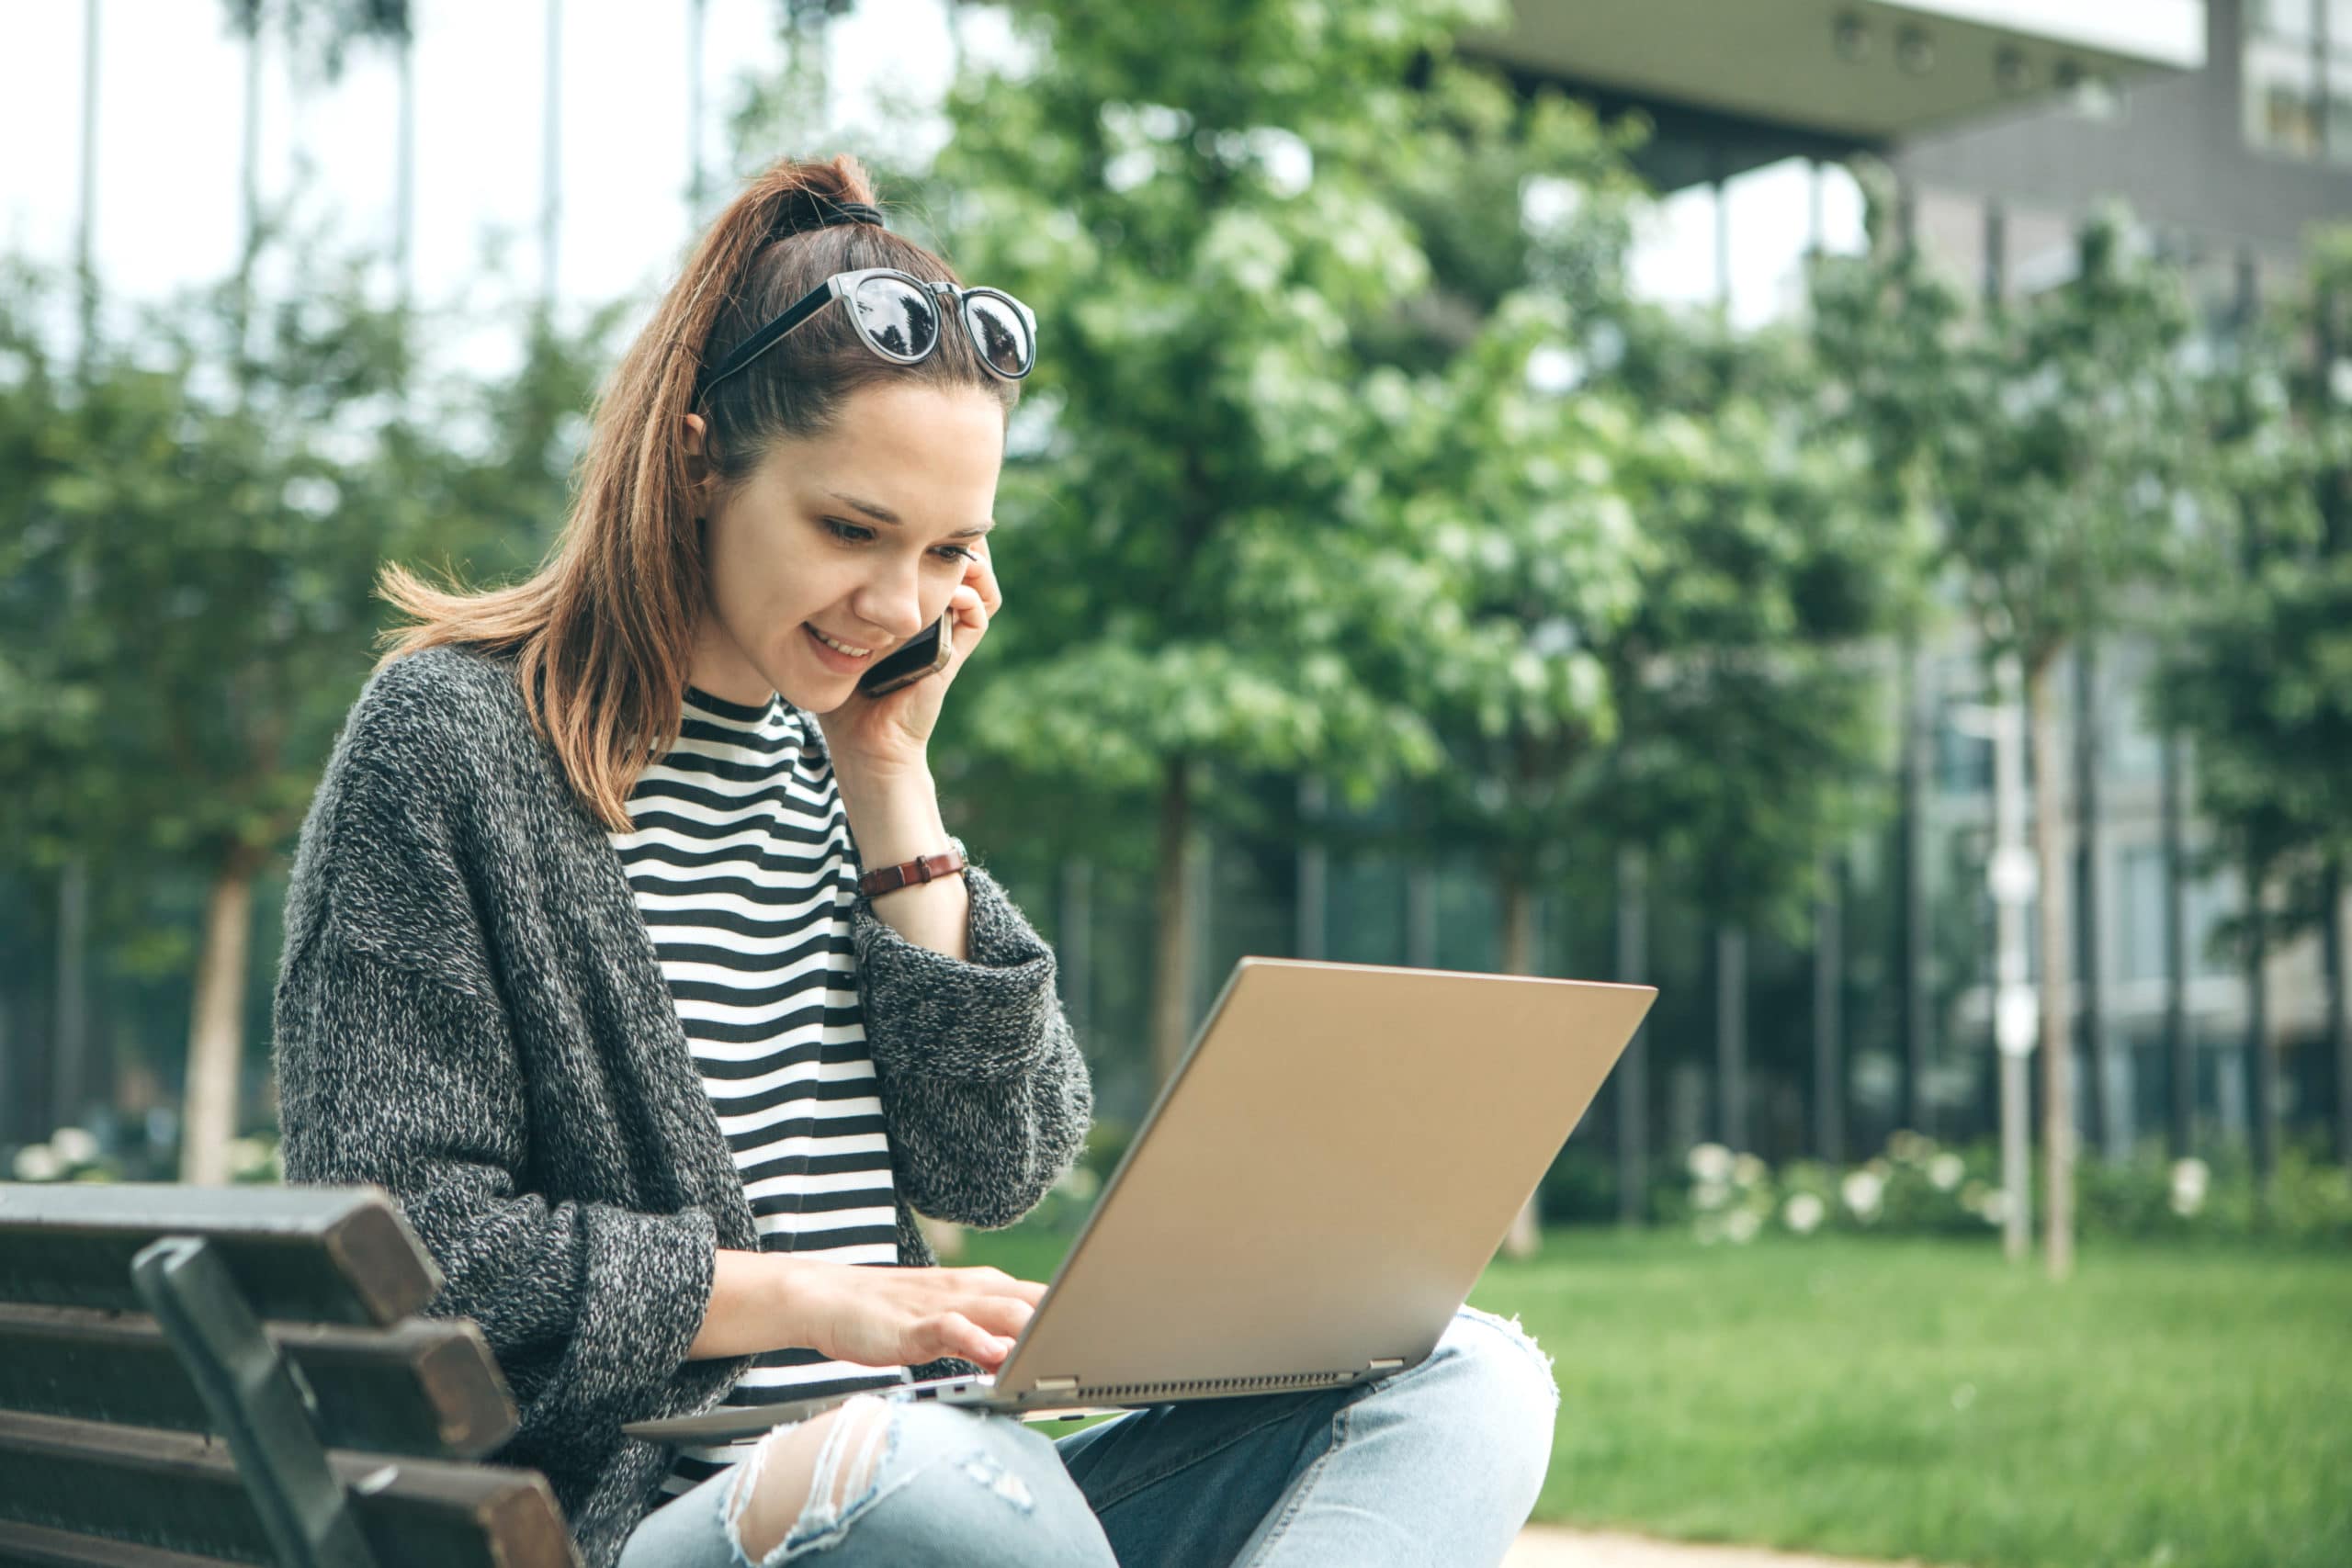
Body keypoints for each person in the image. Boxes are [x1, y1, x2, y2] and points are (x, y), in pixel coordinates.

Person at [273, 152, 1560, 1568]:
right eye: (850, 530)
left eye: (950, 551)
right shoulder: (456, 743)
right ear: (700, 459)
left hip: (948, 1474)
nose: (895, 605)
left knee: (1468, 1381)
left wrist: (891, 781)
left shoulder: (840, 749)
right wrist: (826, 1304)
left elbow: (996, 1160)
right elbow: (404, 1253)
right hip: (670, 1508)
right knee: (923, 1474)